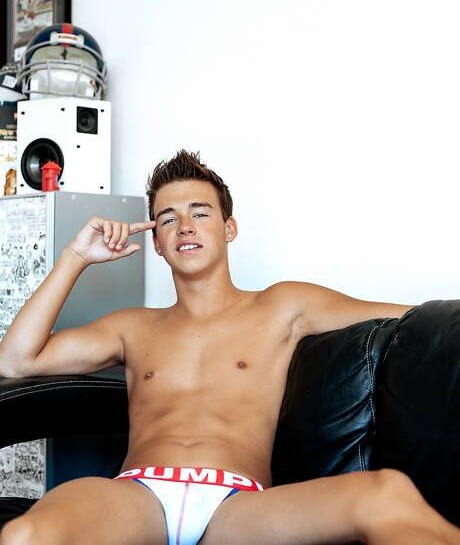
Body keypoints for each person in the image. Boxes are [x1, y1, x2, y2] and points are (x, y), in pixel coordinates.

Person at [0, 149, 458, 545]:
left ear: (229, 228)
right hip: (140, 496)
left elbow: (411, 314)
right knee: (25, 534)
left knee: (385, 495)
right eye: (168, 218)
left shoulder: (283, 307)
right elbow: (16, 360)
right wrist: (75, 258)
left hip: (238, 505)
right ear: (156, 242)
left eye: (200, 213)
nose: (184, 227)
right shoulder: (131, 327)